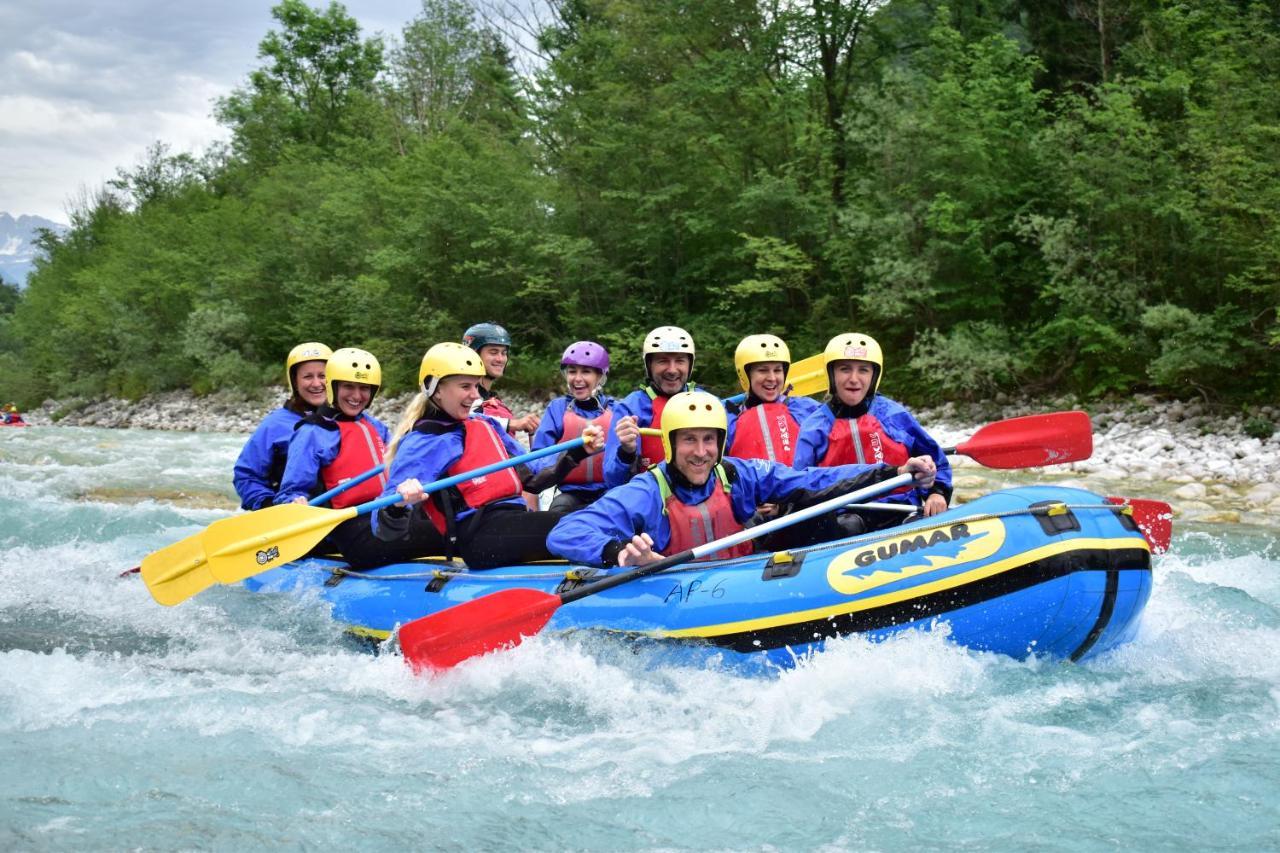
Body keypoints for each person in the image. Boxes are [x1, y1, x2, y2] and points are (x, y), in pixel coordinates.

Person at [547, 391, 937, 567]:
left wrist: (894, 473)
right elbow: (566, 532)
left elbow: (813, 480)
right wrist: (619, 553)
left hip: (740, 576)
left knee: (815, 511)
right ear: (669, 444)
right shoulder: (646, 492)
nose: (700, 452)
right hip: (678, 590)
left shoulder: (738, 474)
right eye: (688, 441)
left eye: (708, 440)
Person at [372, 342, 605, 569]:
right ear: (435, 388)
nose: (475, 395)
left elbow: (533, 476)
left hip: (511, 522)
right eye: (465, 386)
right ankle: (620, 556)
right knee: (577, 525)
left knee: (595, 517)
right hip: (478, 536)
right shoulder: (423, 442)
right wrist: (399, 504)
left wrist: (577, 451)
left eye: (476, 386)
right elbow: (382, 527)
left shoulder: (484, 424)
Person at [273, 348, 419, 569]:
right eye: (348, 387)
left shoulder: (375, 427)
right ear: (333, 387)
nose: (356, 396)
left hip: (385, 517)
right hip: (348, 529)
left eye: (364, 388)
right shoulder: (312, 433)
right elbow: (290, 492)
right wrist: (294, 504)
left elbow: (398, 471)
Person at [793, 332, 952, 526]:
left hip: (902, 510)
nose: (854, 378)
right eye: (844, 369)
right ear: (831, 375)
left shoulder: (892, 414)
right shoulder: (815, 427)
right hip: (844, 518)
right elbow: (800, 484)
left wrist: (937, 493)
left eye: (863, 370)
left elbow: (933, 458)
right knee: (848, 526)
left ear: (874, 375)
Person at [601, 324, 710, 487]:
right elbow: (612, 480)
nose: (672, 370)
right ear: (649, 366)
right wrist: (626, 452)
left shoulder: (710, 403)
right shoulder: (631, 408)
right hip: (651, 499)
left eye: (680, 361)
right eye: (663, 361)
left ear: (690, 365)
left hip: (701, 496)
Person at [232, 342, 331, 510]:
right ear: (295, 381)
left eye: (322, 376)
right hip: (295, 515)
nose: (316, 384)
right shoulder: (274, 425)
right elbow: (246, 476)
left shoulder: (347, 420)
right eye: (308, 377)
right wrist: (269, 505)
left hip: (343, 518)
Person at [529, 341, 617, 512]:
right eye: (572, 371)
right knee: (557, 511)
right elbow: (538, 458)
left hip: (609, 491)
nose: (577, 378)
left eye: (586, 371)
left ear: (600, 376)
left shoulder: (616, 409)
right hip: (570, 493)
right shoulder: (557, 409)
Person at [725, 334, 820, 466]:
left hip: (803, 485)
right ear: (745, 375)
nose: (772, 378)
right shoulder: (729, 421)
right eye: (763, 370)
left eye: (777, 370)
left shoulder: (807, 409)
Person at [461, 322, 540, 436]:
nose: (500, 359)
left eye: (504, 353)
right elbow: (463, 420)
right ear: (474, 355)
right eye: (493, 352)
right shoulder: (463, 394)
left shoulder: (492, 399)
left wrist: (532, 432)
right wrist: (512, 424)